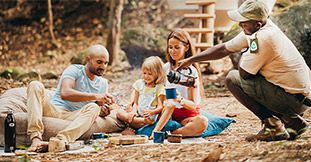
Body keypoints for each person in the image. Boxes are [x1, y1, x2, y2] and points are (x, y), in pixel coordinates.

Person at [178, 0, 311, 141]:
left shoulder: (263, 38)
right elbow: (224, 48)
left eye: (244, 22)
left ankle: (272, 125)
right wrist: (191, 59)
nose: (240, 25)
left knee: (233, 79)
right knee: (243, 77)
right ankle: (292, 121)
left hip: (293, 101)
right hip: (299, 98)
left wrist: (245, 51)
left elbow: (244, 74)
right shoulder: (261, 28)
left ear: (257, 24)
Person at [27, 44, 114, 152]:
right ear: (88, 59)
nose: (103, 66)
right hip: (54, 110)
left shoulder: (103, 83)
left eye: (106, 63)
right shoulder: (74, 70)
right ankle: (36, 138)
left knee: (94, 108)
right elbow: (65, 93)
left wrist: (103, 111)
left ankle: (59, 141)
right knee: (35, 84)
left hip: (74, 115)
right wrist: (96, 96)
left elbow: (96, 107)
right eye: (99, 62)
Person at [151, 29, 208, 138]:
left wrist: (180, 100)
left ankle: (172, 134)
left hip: (187, 115)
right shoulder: (166, 68)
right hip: (169, 113)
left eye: (177, 47)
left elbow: (193, 105)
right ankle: (168, 131)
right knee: (168, 105)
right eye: (170, 47)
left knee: (202, 122)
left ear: (186, 47)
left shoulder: (191, 72)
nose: (173, 51)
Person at [116, 56, 166, 130]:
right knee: (119, 113)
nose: (146, 76)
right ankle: (141, 121)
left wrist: (151, 112)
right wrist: (133, 112)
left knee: (130, 121)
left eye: (150, 74)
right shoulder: (139, 84)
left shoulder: (159, 87)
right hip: (139, 117)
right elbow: (136, 103)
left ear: (157, 74)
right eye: (144, 73)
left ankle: (140, 123)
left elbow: (160, 107)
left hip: (150, 118)